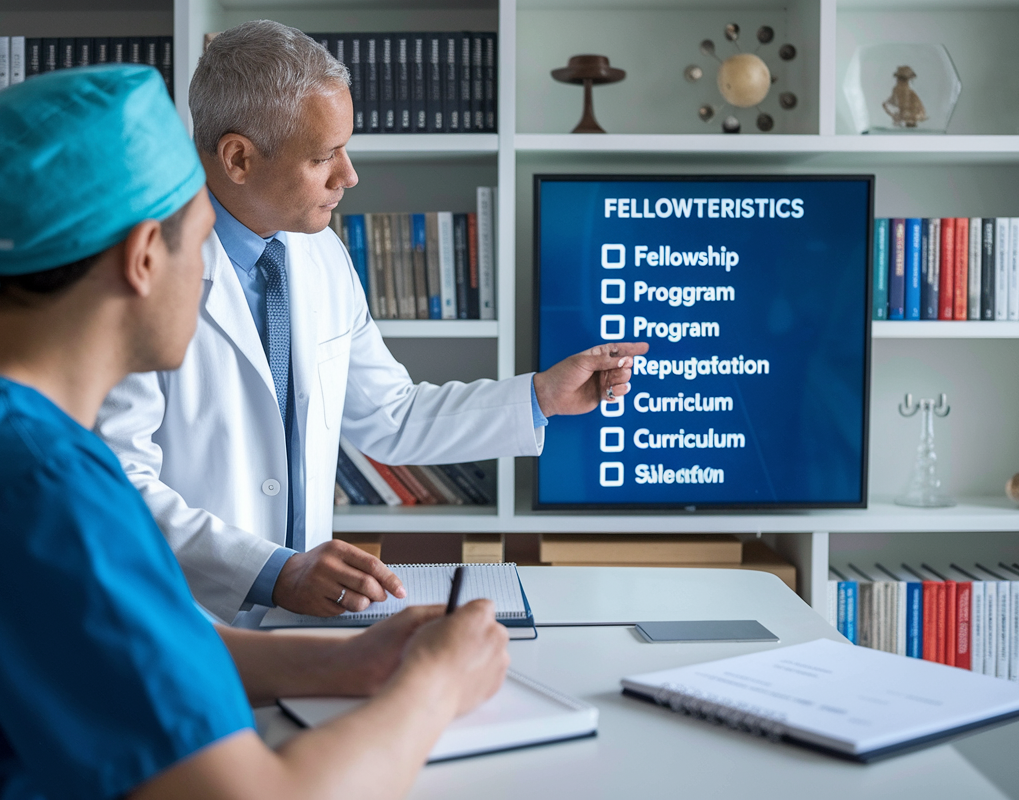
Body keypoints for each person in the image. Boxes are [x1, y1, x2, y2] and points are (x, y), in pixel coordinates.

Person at [0, 65, 509, 799]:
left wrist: (344, 663)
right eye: (204, 238)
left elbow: (99, 643)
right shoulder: (38, 488)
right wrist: (437, 685)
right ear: (145, 258)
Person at [96, 20, 647, 622]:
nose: (349, 174)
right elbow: (117, 482)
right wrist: (272, 572)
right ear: (238, 158)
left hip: (299, 620)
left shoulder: (320, 254)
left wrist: (541, 396)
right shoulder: (137, 272)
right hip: (182, 620)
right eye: (324, 155)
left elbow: (390, 414)